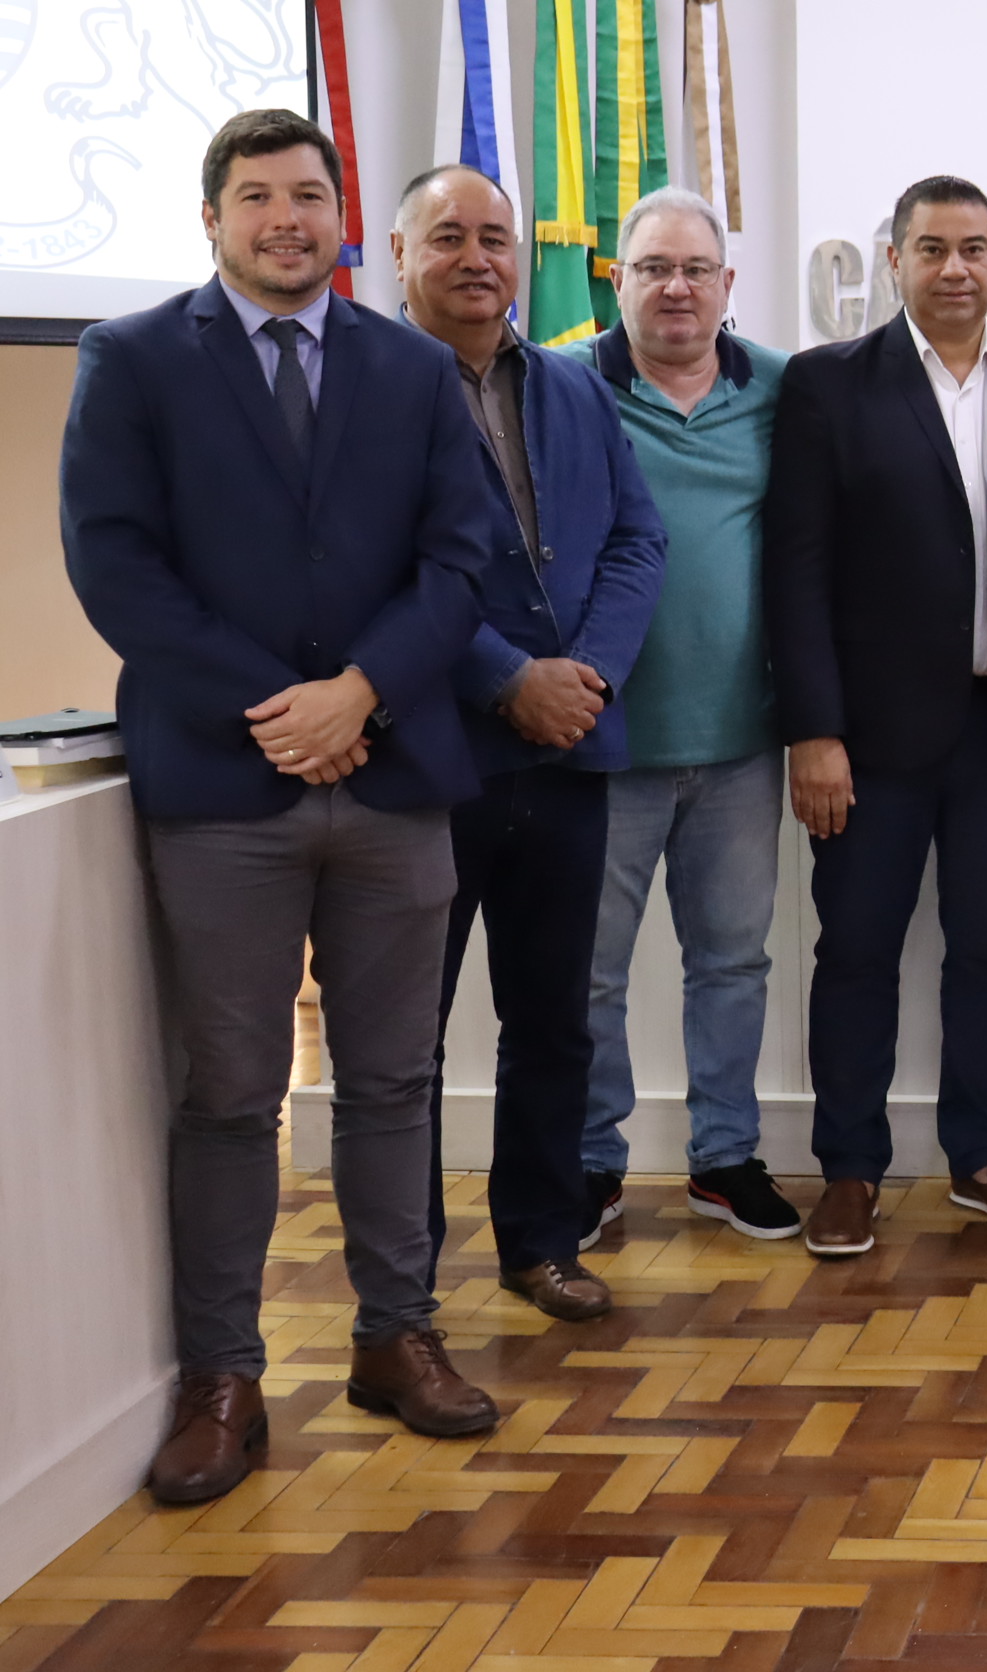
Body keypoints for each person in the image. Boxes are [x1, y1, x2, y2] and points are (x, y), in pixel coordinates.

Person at [63, 110, 504, 1503]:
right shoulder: (133, 358)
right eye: (257, 197)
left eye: (309, 195)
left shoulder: (411, 367)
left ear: (341, 218)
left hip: (396, 777)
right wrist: (285, 708)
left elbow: (461, 560)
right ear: (213, 219)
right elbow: (116, 569)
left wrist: (359, 693)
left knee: (393, 1081)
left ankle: (395, 1336)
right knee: (231, 1095)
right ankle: (222, 1376)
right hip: (220, 785)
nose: (286, 220)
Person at [767, 175, 987, 1259]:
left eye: (973, 248)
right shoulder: (829, 384)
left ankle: (981, 1155)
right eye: (931, 248)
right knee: (856, 952)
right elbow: (796, 569)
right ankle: (849, 1170)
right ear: (895, 260)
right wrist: (812, 729)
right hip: (866, 740)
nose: (954, 268)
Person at [396, 164, 665, 1322]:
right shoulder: (366, 388)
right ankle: (403, 1274)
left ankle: (542, 1241)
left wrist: (586, 674)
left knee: (554, 1017)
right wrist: (509, 680)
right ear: (400, 255)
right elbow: (375, 572)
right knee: (403, 1034)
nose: (477, 258)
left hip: (567, 757)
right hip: (428, 760)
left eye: (495, 237)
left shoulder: (572, 386)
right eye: (448, 236)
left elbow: (638, 542)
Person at [577, 187, 801, 1245]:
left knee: (733, 963)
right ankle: (591, 1162)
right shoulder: (564, 386)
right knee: (591, 974)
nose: (676, 287)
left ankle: (725, 1157)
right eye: (653, 268)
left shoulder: (781, 391)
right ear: (616, 280)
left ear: (726, 283)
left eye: (696, 269)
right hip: (605, 742)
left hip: (742, 742)